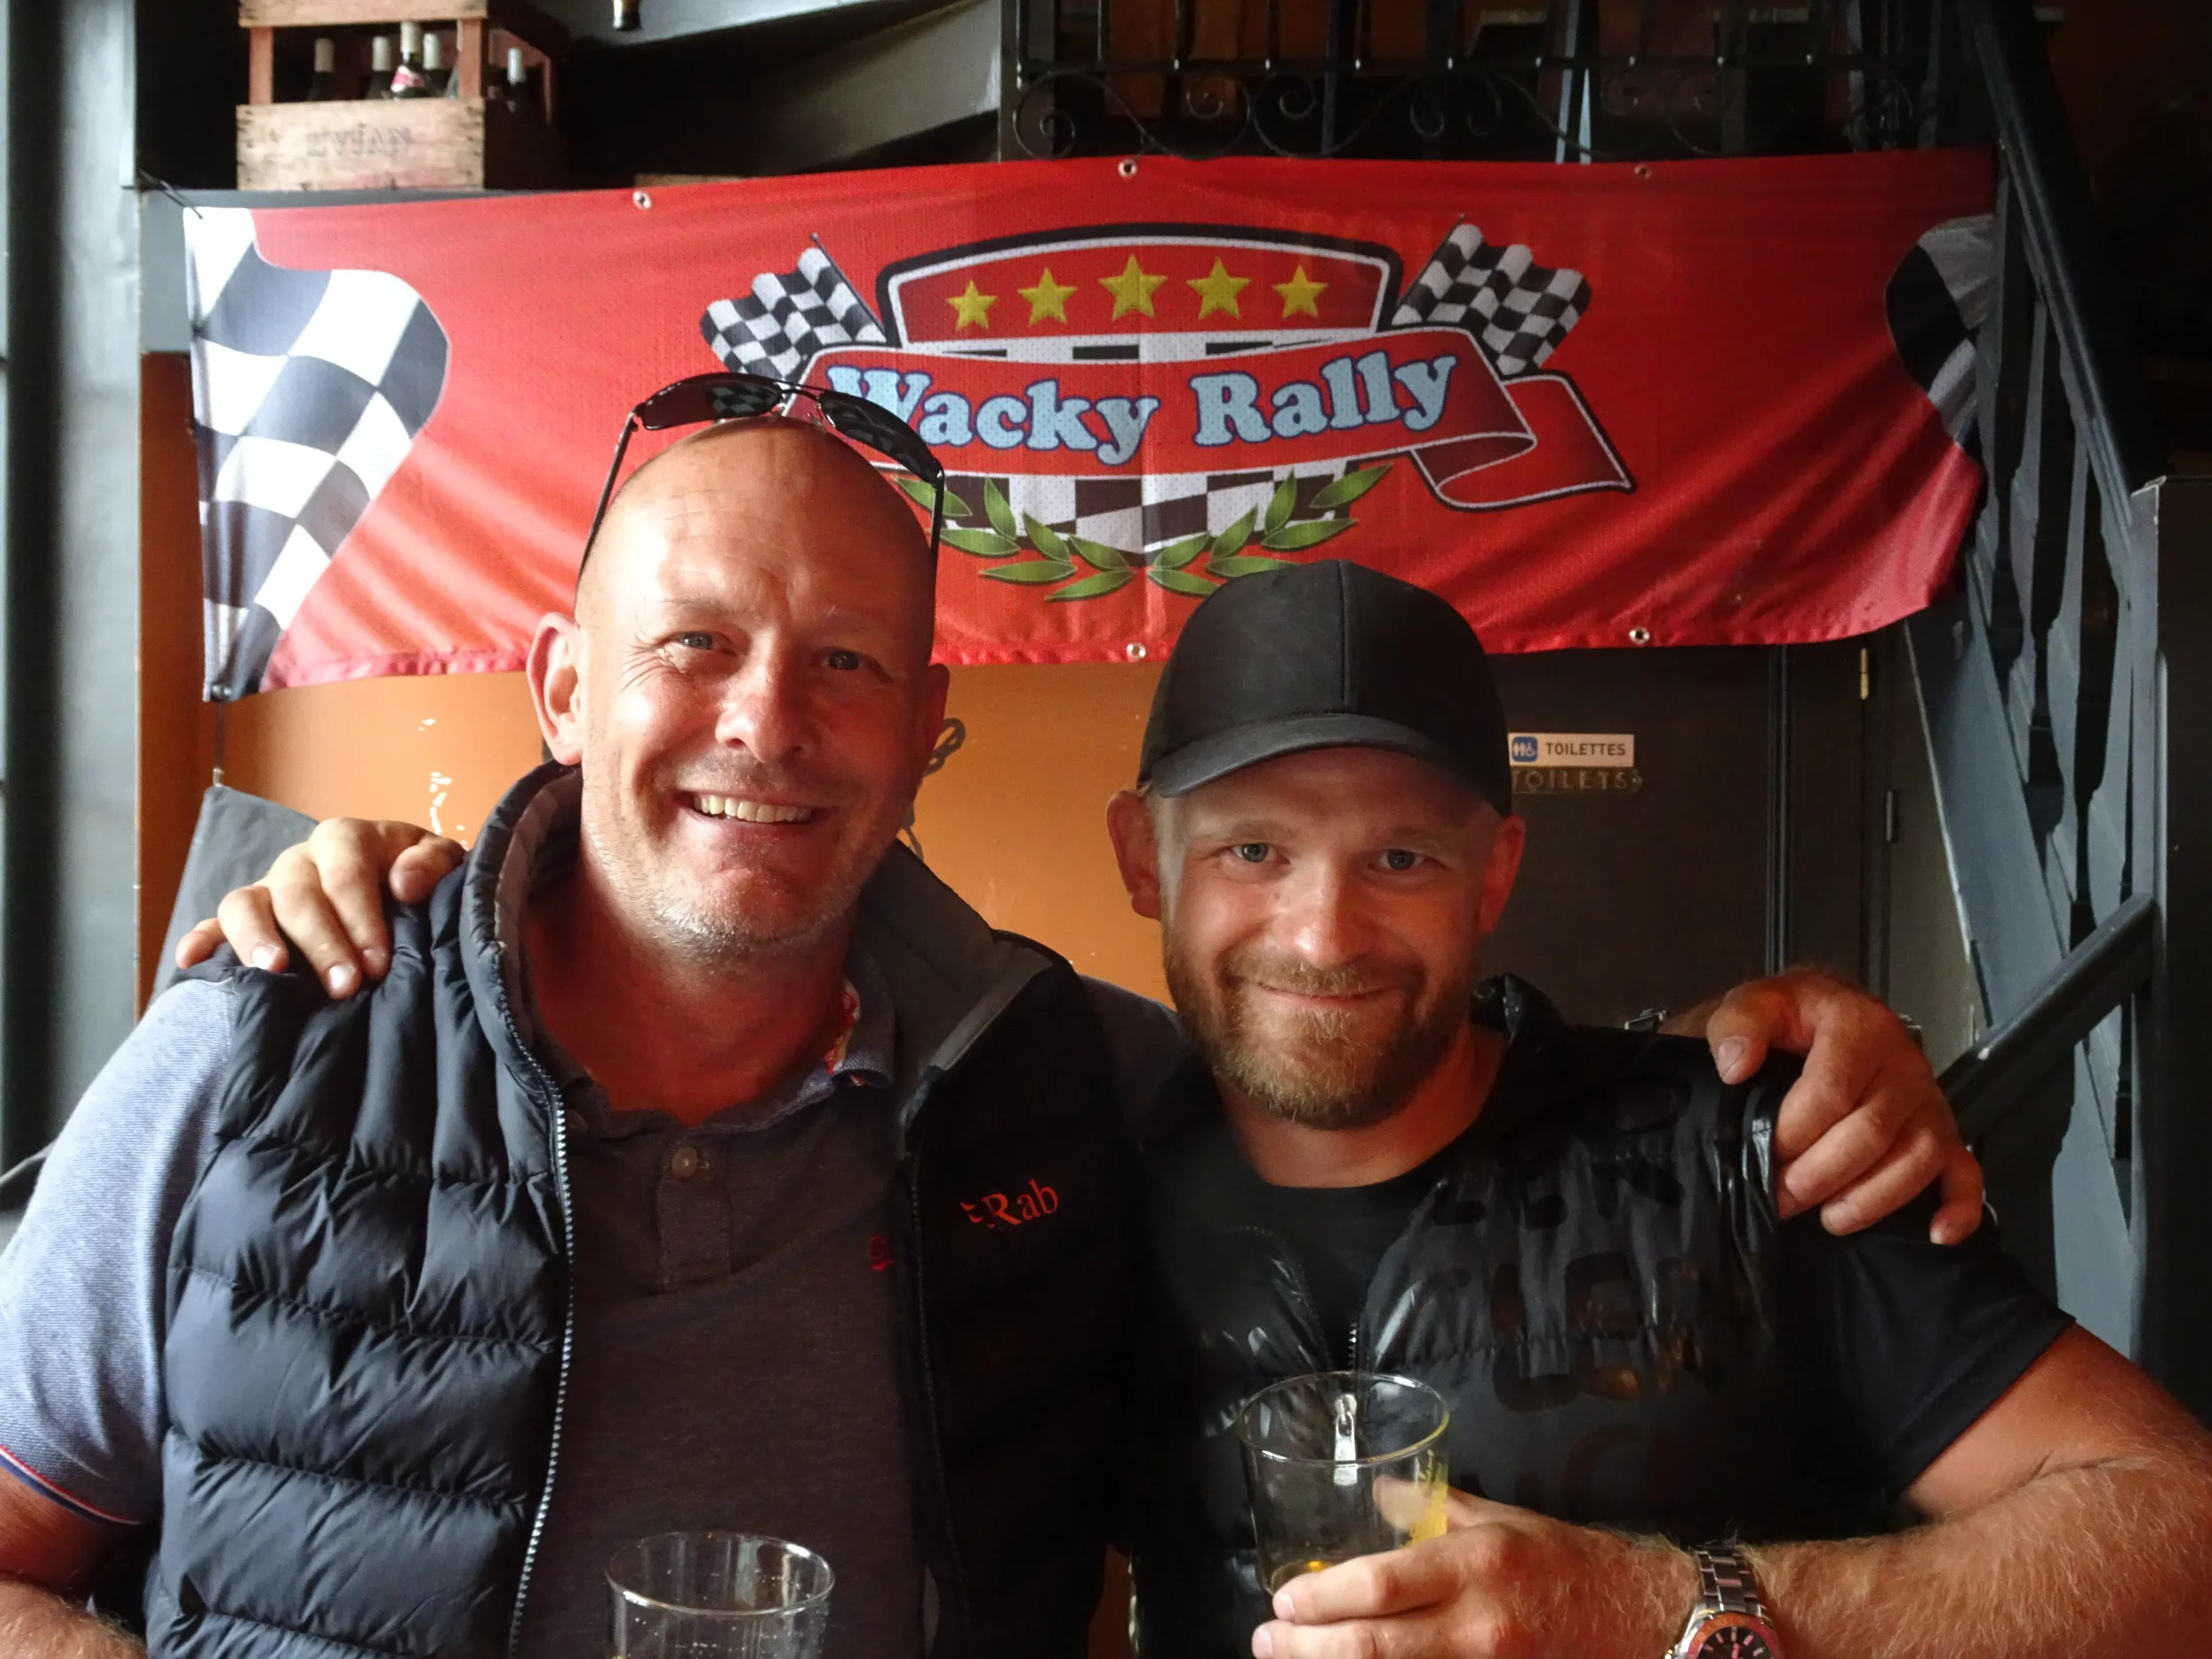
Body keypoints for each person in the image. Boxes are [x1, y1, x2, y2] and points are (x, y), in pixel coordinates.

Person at [0, 396, 1969, 1659]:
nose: (769, 720)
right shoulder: (261, 1046)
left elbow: (1367, 1056)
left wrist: (1746, 1051)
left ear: (924, 732)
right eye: (693, 641)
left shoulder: (1060, 1089)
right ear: (561, 685)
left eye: (844, 661)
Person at [1102, 561, 2212, 1658]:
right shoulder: (1076, 1183)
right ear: (1141, 860)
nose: (1323, 936)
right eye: (1252, 851)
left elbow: (2183, 1537)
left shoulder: (1753, 1153)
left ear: (1492, 876)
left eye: (1401, 857)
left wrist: (1668, 1610)